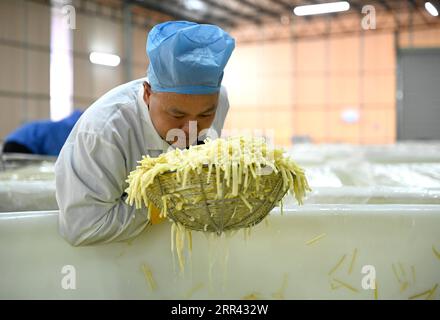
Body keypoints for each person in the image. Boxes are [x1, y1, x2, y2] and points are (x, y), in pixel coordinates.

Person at [55, 21, 235, 246]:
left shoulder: (220, 101)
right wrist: (165, 205)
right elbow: (82, 226)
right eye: (177, 115)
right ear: (148, 94)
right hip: (116, 259)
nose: (191, 128)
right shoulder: (106, 131)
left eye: (205, 115)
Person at [2, 110, 83, 156]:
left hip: (13, 141)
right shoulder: (65, 129)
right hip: (21, 146)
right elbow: (55, 151)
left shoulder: (58, 126)